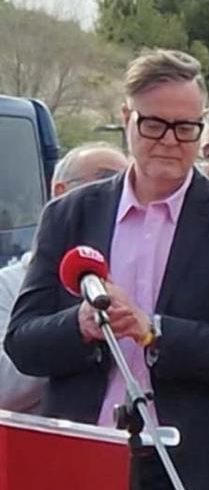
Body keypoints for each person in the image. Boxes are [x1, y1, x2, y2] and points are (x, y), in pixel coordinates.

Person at [4, 49, 209, 490]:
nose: (170, 140)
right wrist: (80, 325)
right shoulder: (71, 214)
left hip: (190, 479)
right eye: (153, 124)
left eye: (186, 127)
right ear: (126, 119)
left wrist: (156, 332)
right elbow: (22, 340)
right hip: (83, 469)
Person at [1, 143, 128, 413]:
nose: (118, 194)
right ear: (60, 192)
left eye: (128, 186)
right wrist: (75, 333)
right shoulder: (8, 285)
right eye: (107, 179)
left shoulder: (133, 282)